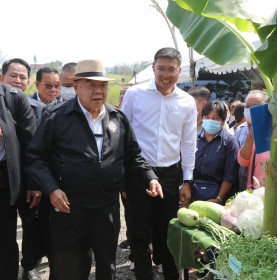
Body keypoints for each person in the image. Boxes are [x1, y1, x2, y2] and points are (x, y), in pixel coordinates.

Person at [25, 59, 163, 280]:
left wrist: (150, 177)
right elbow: (35, 156)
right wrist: (51, 188)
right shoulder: (57, 117)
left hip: (106, 207)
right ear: (76, 86)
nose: (98, 91)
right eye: (91, 84)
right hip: (69, 207)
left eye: (103, 85)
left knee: (106, 265)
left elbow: (133, 156)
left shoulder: (117, 118)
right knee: (68, 268)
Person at [120, 47, 197, 280]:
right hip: (138, 174)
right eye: (161, 69)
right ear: (153, 69)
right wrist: (122, 177)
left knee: (169, 230)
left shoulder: (187, 102)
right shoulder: (135, 94)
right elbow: (122, 135)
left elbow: (188, 143)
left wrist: (187, 180)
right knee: (138, 231)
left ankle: (171, 275)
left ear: (179, 71)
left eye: (171, 70)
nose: (166, 74)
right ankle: (143, 274)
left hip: (170, 175)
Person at [1, 58, 46, 280]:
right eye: (13, 76)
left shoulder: (19, 100)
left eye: (22, 77)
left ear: (29, 81)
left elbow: (32, 146)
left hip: (17, 176)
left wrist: (34, 182)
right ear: (2, 77)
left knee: (25, 225)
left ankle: (28, 264)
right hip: (5, 174)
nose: (18, 81)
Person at [0, 81, 36, 279]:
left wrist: (33, 183)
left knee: (5, 240)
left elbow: (31, 144)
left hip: (5, 180)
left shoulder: (14, 98)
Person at [192, 101, 239, 203]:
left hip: (218, 199)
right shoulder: (193, 139)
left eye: (215, 118)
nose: (210, 120)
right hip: (192, 197)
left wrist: (218, 199)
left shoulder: (230, 142)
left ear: (222, 121)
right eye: (207, 117)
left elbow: (230, 174)